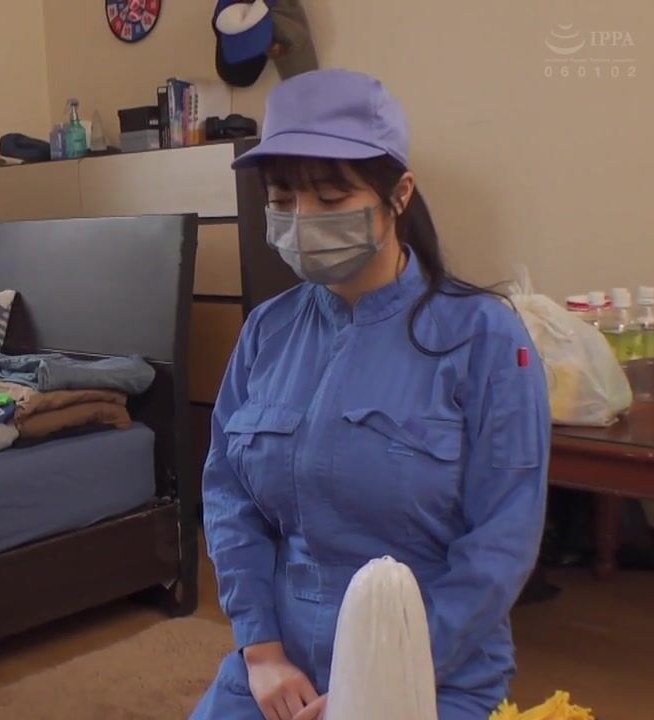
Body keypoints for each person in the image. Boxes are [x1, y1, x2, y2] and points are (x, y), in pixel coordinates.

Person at [191, 69, 550, 720]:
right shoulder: (266, 331)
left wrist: (378, 678)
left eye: (331, 197)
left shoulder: (486, 338)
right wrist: (260, 649)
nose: (303, 220)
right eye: (283, 198)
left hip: (430, 667)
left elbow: (502, 540)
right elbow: (228, 497)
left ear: (399, 194)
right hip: (279, 665)